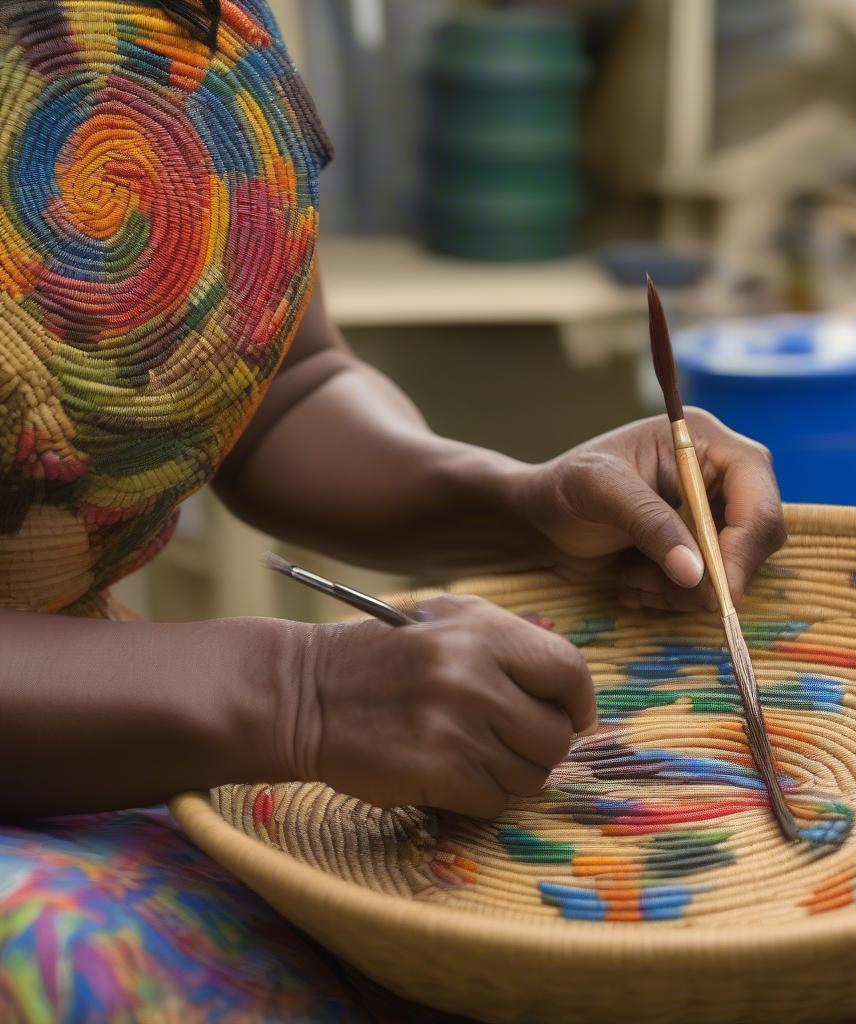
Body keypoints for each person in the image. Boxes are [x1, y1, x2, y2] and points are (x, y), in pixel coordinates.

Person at [0, 1, 778, 1020]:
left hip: (113, 722)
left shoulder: (185, 30)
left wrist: (520, 501)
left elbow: (285, 388)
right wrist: (297, 693)